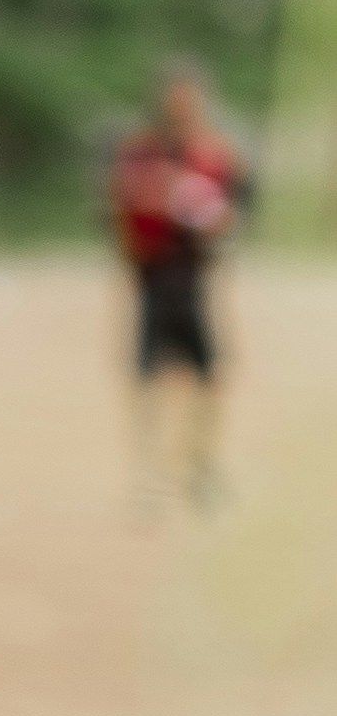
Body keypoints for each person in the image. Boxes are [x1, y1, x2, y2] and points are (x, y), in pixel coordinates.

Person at [107, 64, 249, 510]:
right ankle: (149, 475)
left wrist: (209, 218)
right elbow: (120, 210)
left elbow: (233, 216)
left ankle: (199, 467)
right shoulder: (140, 155)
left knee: (208, 377)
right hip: (154, 276)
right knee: (149, 377)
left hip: (192, 277)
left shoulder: (216, 154)